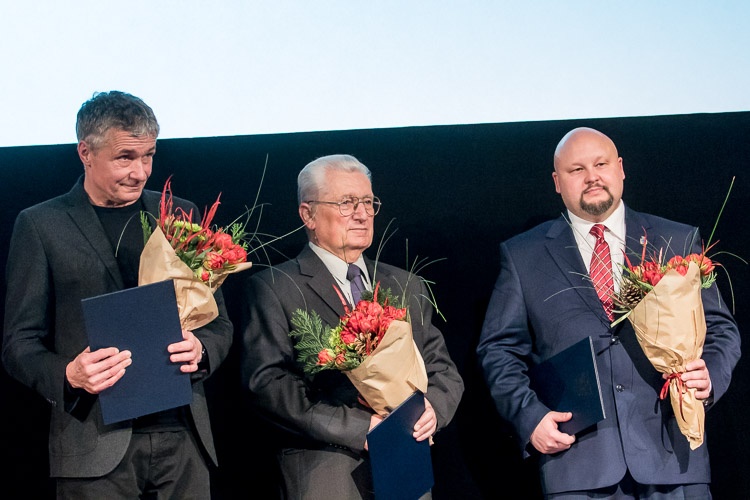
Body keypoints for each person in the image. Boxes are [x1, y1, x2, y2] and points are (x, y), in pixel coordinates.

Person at [476, 127, 741, 498]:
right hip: (578, 464)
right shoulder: (524, 255)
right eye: (577, 169)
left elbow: (721, 329)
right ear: (557, 182)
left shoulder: (676, 239)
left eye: (600, 164)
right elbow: (498, 350)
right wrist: (530, 416)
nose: (592, 177)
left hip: (674, 457)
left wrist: (709, 374)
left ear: (620, 169)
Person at [2, 91, 233, 499]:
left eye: (148, 156)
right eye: (125, 157)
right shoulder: (41, 225)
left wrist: (202, 349)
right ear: (85, 153)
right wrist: (69, 374)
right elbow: (19, 344)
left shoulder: (180, 216)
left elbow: (219, 323)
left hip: (183, 437)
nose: (140, 172)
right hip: (94, 442)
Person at [240, 154, 464, 499]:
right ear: (308, 215)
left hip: (406, 463)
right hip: (326, 469)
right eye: (346, 203)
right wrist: (361, 428)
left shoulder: (408, 285)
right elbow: (267, 384)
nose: (362, 214)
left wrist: (432, 409)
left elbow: (443, 370)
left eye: (368, 202)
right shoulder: (276, 287)